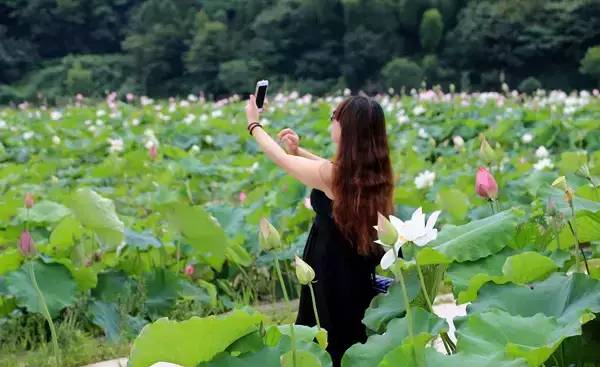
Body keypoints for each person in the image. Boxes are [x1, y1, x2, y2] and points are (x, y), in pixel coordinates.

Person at [245, 94, 394, 366]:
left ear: (347, 128)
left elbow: (282, 161)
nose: (331, 122)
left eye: (334, 117)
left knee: (328, 338)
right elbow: (331, 172)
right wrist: (299, 151)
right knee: (351, 334)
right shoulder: (373, 171)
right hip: (355, 271)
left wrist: (254, 125)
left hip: (329, 271)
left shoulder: (332, 176)